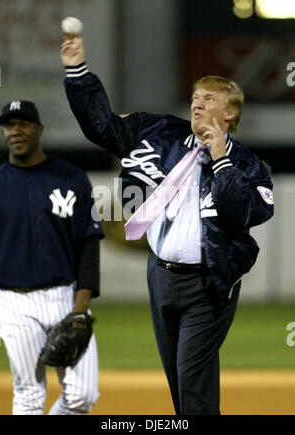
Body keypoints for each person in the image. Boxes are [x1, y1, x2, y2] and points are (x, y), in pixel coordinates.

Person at [60, 36, 274, 415]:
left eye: (209, 99)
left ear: (229, 115)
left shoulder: (247, 166)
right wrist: (78, 73)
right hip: (160, 276)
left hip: (209, 283)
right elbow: (101, 127)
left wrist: (220, 158)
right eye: (196, 96)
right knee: (180, 386)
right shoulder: (159, 133)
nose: (198, 102)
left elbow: (241, 212)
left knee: (192, 384)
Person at [0, 100, 104, 415]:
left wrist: (81, 308)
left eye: (23, 123)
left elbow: (88, 244)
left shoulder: (71, 178)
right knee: (29, 396)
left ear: (39, 129)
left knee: (83, 396)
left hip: (64, 299)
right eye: (9, 125)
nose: (16, 131)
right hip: (14, 304)